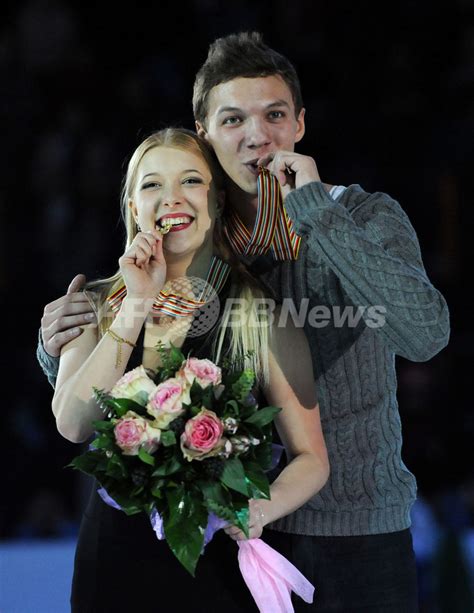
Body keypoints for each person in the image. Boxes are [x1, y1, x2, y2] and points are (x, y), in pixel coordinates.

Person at [38, 32, 450, 612]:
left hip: (357, 532)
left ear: (300, 125)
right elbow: (131, 365)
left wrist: (318, 218)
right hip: (232, 540)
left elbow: (425, 336)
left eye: (275, 115)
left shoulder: (364, 216)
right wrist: (62, 341)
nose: (258, 136)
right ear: (204, 135)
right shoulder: (202, 231)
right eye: (233, 119)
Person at [50, 127, 329, 612]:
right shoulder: (96, 304)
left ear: (218, 201)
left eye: (191, 182)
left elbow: (312, 458)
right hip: (113, 560)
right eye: (152, 185)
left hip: (216, 562)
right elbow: (73, 425)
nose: (171, 198)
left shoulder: (259, 315)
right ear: (133, 206)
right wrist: (136, 302)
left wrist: (257, 510)